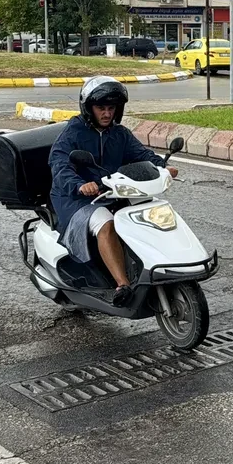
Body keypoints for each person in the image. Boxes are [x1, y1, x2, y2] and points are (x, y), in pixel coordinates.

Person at [48, 77, 178, 306]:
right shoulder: (73, 132)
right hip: (76, 199)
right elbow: (59, 164)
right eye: (101, 108)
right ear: (89, 108)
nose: (107, 113)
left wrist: (162, 167)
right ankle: (122, 284)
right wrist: (79, 184)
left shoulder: (119, 133)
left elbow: (142, 154)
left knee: (146, 212)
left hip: (112, 192)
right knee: (106, 223)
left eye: (111, 108)